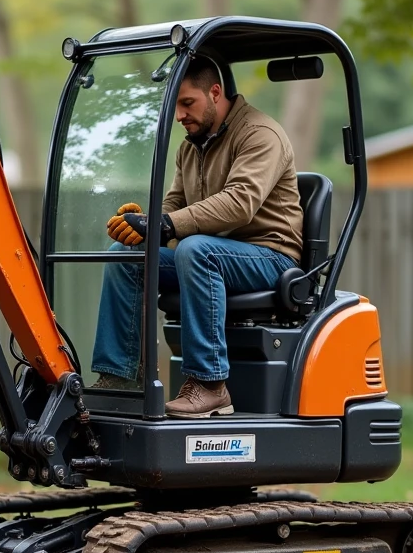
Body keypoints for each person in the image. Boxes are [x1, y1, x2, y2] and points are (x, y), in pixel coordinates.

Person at [90, 56, 304, 418]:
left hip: (270, 257)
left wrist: (167, 225)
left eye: (187, 103)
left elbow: (240, 203)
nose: (179, 115)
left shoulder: (260, 134)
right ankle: (120, 379)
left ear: (215, 93)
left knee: (195, 249)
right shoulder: (191, 146)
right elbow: (174, 205)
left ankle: (210, 385)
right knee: (125, 254)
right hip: (212, 256)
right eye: (175, 106)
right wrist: (143, 224)